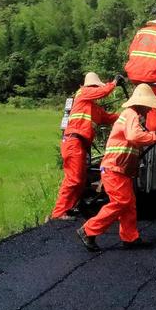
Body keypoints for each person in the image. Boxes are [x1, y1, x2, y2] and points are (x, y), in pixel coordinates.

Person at [76, 84, 156, 252]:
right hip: (114, 167)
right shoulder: (131, 114)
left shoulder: (131, 116)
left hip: (121, 168)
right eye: (148, 106)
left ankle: (130, 237)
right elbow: (133, 137)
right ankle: (88, 230)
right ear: (141, 104)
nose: (149, 110)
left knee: (129, 204)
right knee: (121, 202)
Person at [49, 72, 120, 221]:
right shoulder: (82, 94)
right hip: (74, 142)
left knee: (80, 179)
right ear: (90, 87)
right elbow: (103, 91)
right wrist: (113, 84)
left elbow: (109, 118)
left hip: (79, 144)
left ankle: (69, 208)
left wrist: (130, 114)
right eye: (94, 87)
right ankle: (58, 213)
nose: (95, 90)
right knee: (73, 179)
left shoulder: (94, 109)